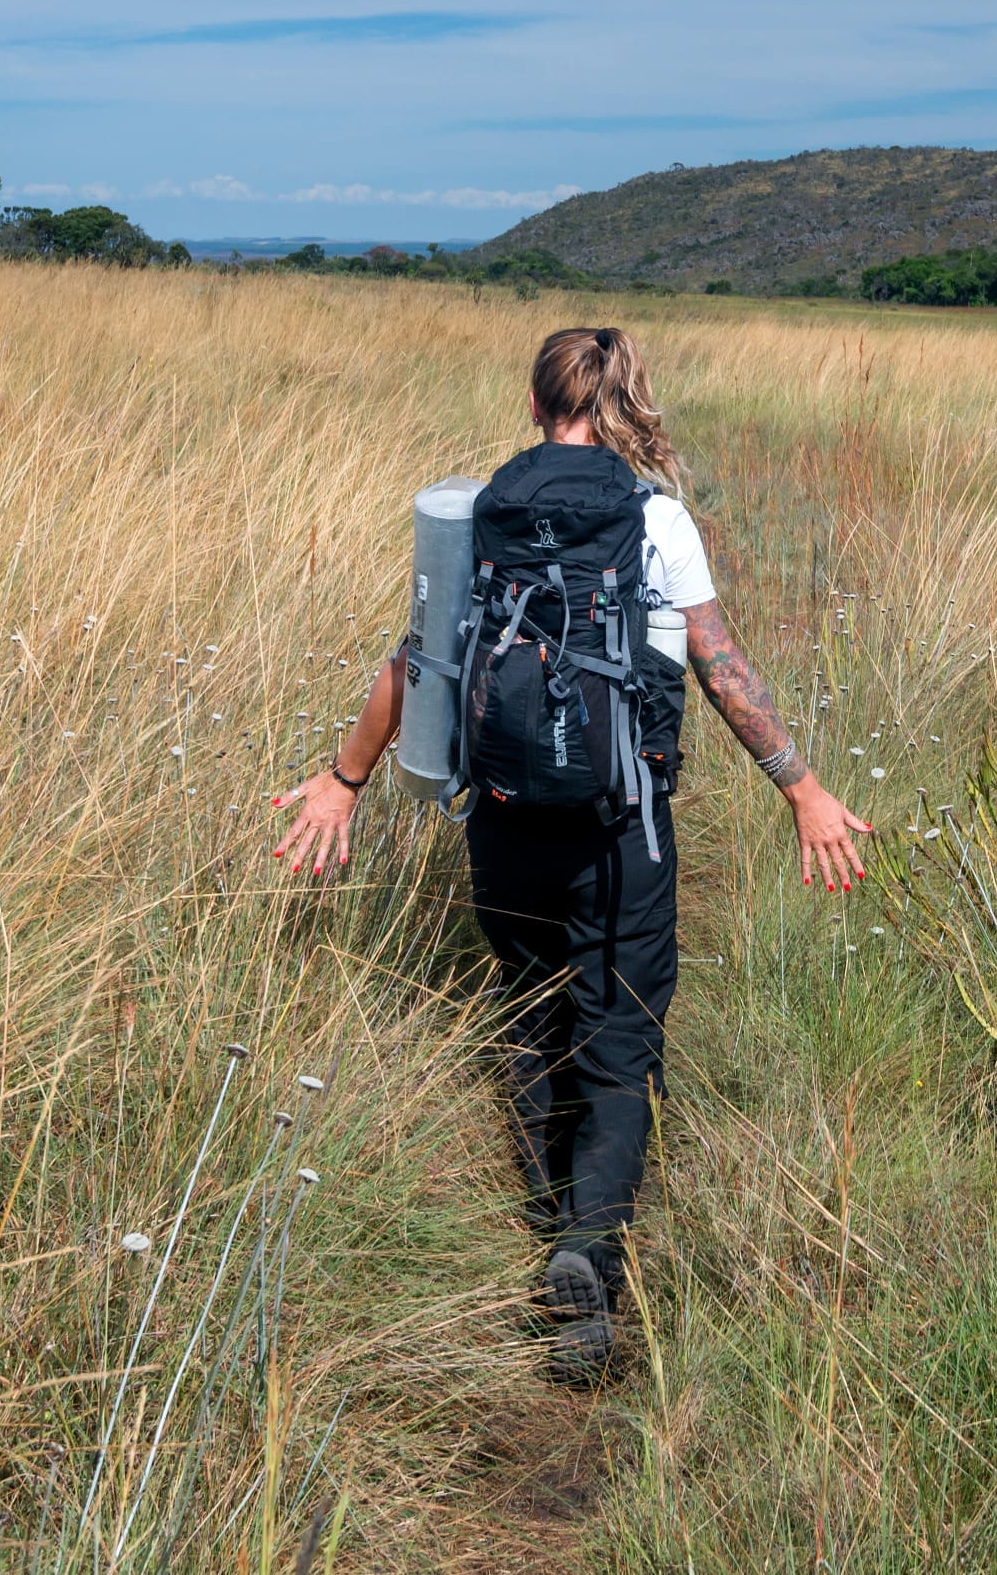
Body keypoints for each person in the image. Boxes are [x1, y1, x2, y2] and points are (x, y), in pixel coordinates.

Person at [272, 325, 870, 1384]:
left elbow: (418, 660)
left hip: (503, 816)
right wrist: (804, 791)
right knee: (620, 1039)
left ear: (537, 401)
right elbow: (720, 670)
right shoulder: (655, 520)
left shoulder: (479, 513)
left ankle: (548, 1215)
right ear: (625, 399)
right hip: (620, 827)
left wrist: (343, 782)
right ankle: (586, 1255)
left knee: (531, 1006)